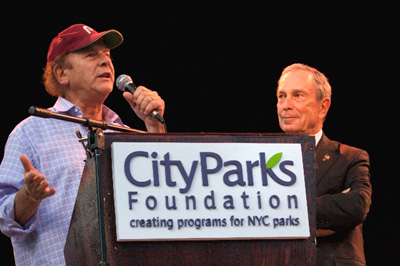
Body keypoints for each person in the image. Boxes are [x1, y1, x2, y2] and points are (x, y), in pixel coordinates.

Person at [0, 24, 166, 265]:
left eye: (107, 56)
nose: (105, 62)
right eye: (91, 55)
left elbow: (164, 198)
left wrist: (153, 127)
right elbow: (4, 217)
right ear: (62, 74)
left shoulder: (127, 135)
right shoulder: (31, 131)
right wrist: (29, 196)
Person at [276, 63, 372, 265]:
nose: (286, 105)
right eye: (281, 96)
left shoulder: (350, 157)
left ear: (323, 106)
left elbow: (356, 206)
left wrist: (282, 212)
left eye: (298, 95)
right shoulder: (260, 161)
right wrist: (328, 209)